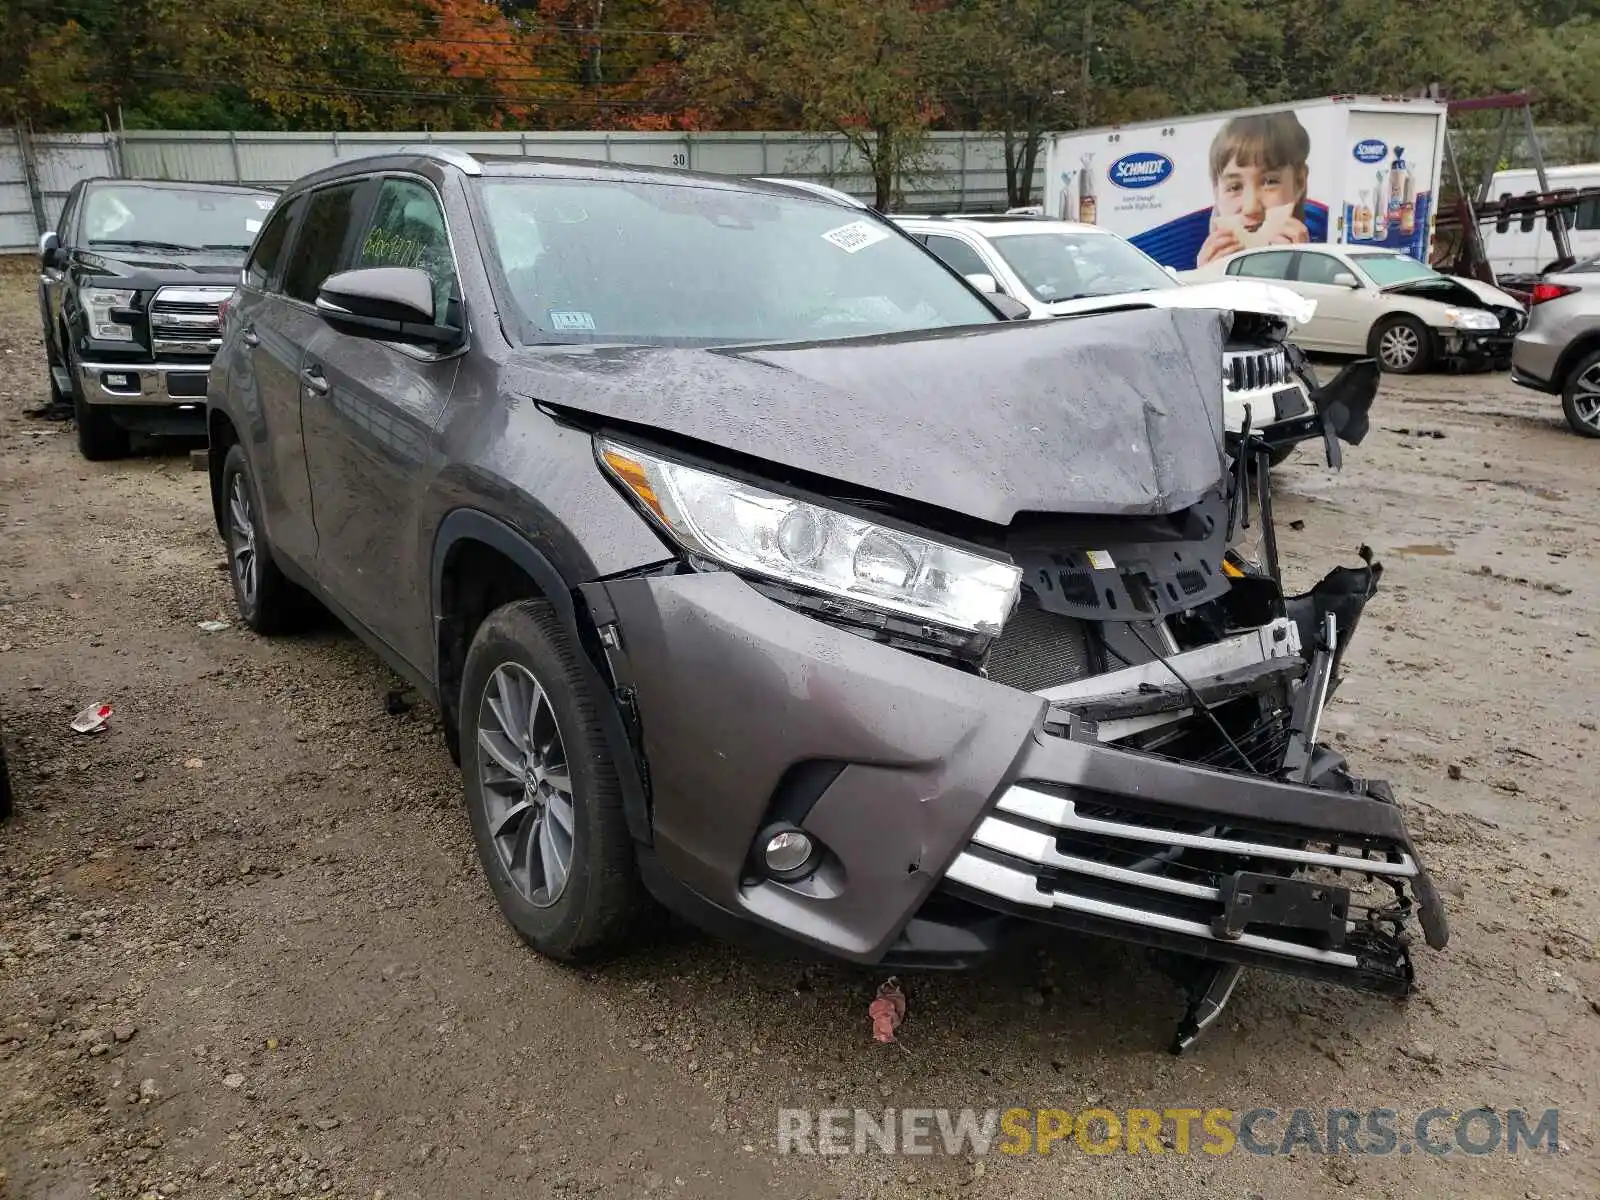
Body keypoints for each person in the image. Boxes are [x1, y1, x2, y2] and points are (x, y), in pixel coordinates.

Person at [1196, 111, 1312, 268]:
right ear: (1216, 193)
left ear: (1299, 182)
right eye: (1234, 187)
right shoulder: (1198, 270)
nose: (1251, 208)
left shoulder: (1327, 268)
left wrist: (1305, 268)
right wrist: (1206, 279)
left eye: (1269, 182)